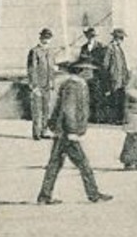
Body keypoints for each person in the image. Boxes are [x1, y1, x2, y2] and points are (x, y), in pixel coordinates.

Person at [36, 57, 112, 205]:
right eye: (90, 70)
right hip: (67, 133)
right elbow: (68, 109)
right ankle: (93, 194)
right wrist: (72, 131)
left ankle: (44, 196)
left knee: (55, 164)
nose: (92, 73)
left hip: (62, 132)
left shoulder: (75, 84)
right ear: (82, 71)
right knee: (83, 164)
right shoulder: (75, 85)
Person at [26, 28, 57, 139]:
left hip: (47, 84)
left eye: (48, 38)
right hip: (38, 84)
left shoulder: (51, 52)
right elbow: (32, 69)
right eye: (44, 37)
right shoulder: (34, 51)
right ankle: (36, 132)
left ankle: (44, 130)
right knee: (37, 109)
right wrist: (34, 86)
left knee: (46, 109)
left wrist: (52, 82)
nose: (46, 40)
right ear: (40, 38)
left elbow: (52, 68)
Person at [79, 27, 110, 121]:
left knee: (97, 96)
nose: (90, 38)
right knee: (87, 96)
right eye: (89, 36)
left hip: (97, 75)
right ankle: (88, 116)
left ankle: (98, 117)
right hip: (86, 74)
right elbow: (81, 60)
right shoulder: (83, 47)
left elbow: (103, 62)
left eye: (92, 36)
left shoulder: (101, 47)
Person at [104, 28, 130, 126]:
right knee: (114, 98)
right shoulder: (110, 48)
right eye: (121, 37)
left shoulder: (119, 48)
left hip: (121, 77)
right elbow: (106, 64)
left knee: (120, 98)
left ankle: (119, 118)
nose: (122, 40)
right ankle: (113, 119)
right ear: (116, 38)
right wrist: (110, 74)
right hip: (114, 77)